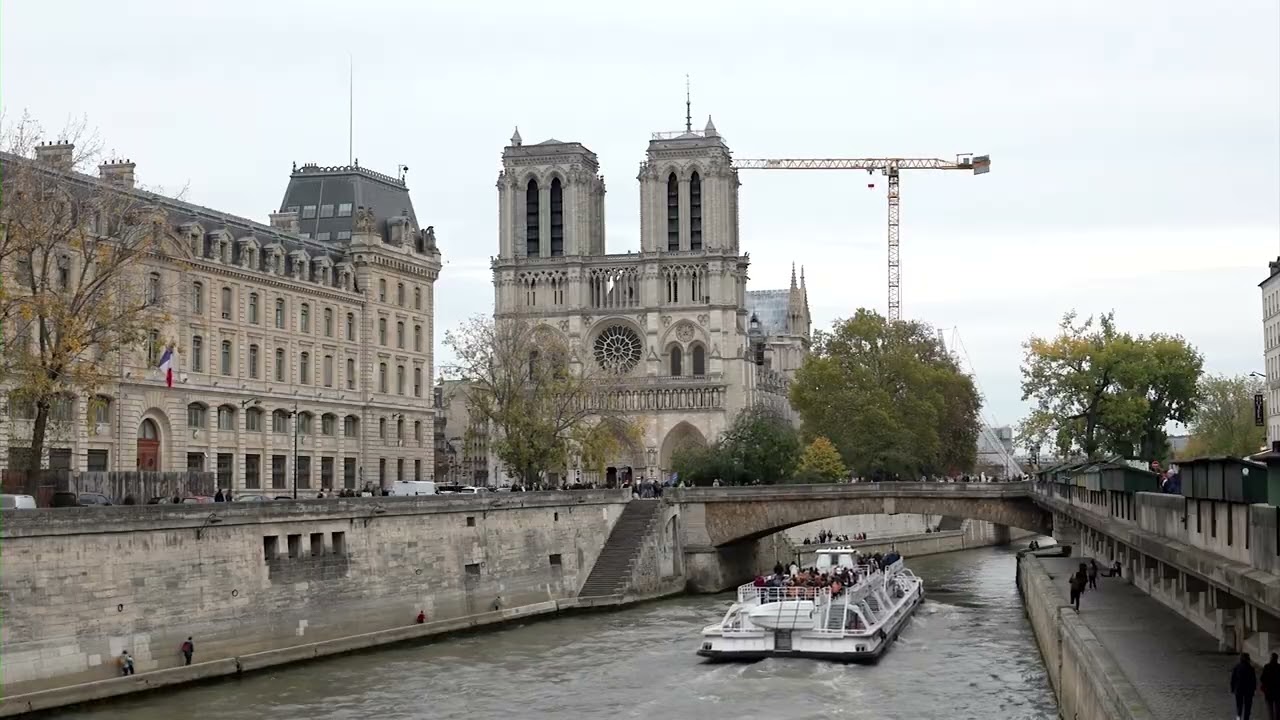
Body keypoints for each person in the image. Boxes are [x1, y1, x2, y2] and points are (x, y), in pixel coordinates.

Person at [1233, 652, 1258, 720]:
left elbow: (1233, 679)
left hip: (1239, 689)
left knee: (1239, 706)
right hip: (1248, 690)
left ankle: (1238, 717)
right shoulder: (1251, 669)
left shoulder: (1237, 667)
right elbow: (1253, 680)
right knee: (1247, 707)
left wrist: (1233, 688)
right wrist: (1254, 689)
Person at [1262, 653, 1280, 719]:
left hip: (1269, 691)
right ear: (1277, 659)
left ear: (1271, 658)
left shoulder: (1267, 666)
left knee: (1270, 709)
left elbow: (1262, 678)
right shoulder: (1279, 667)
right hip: (1278, 692)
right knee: (1278, 709)